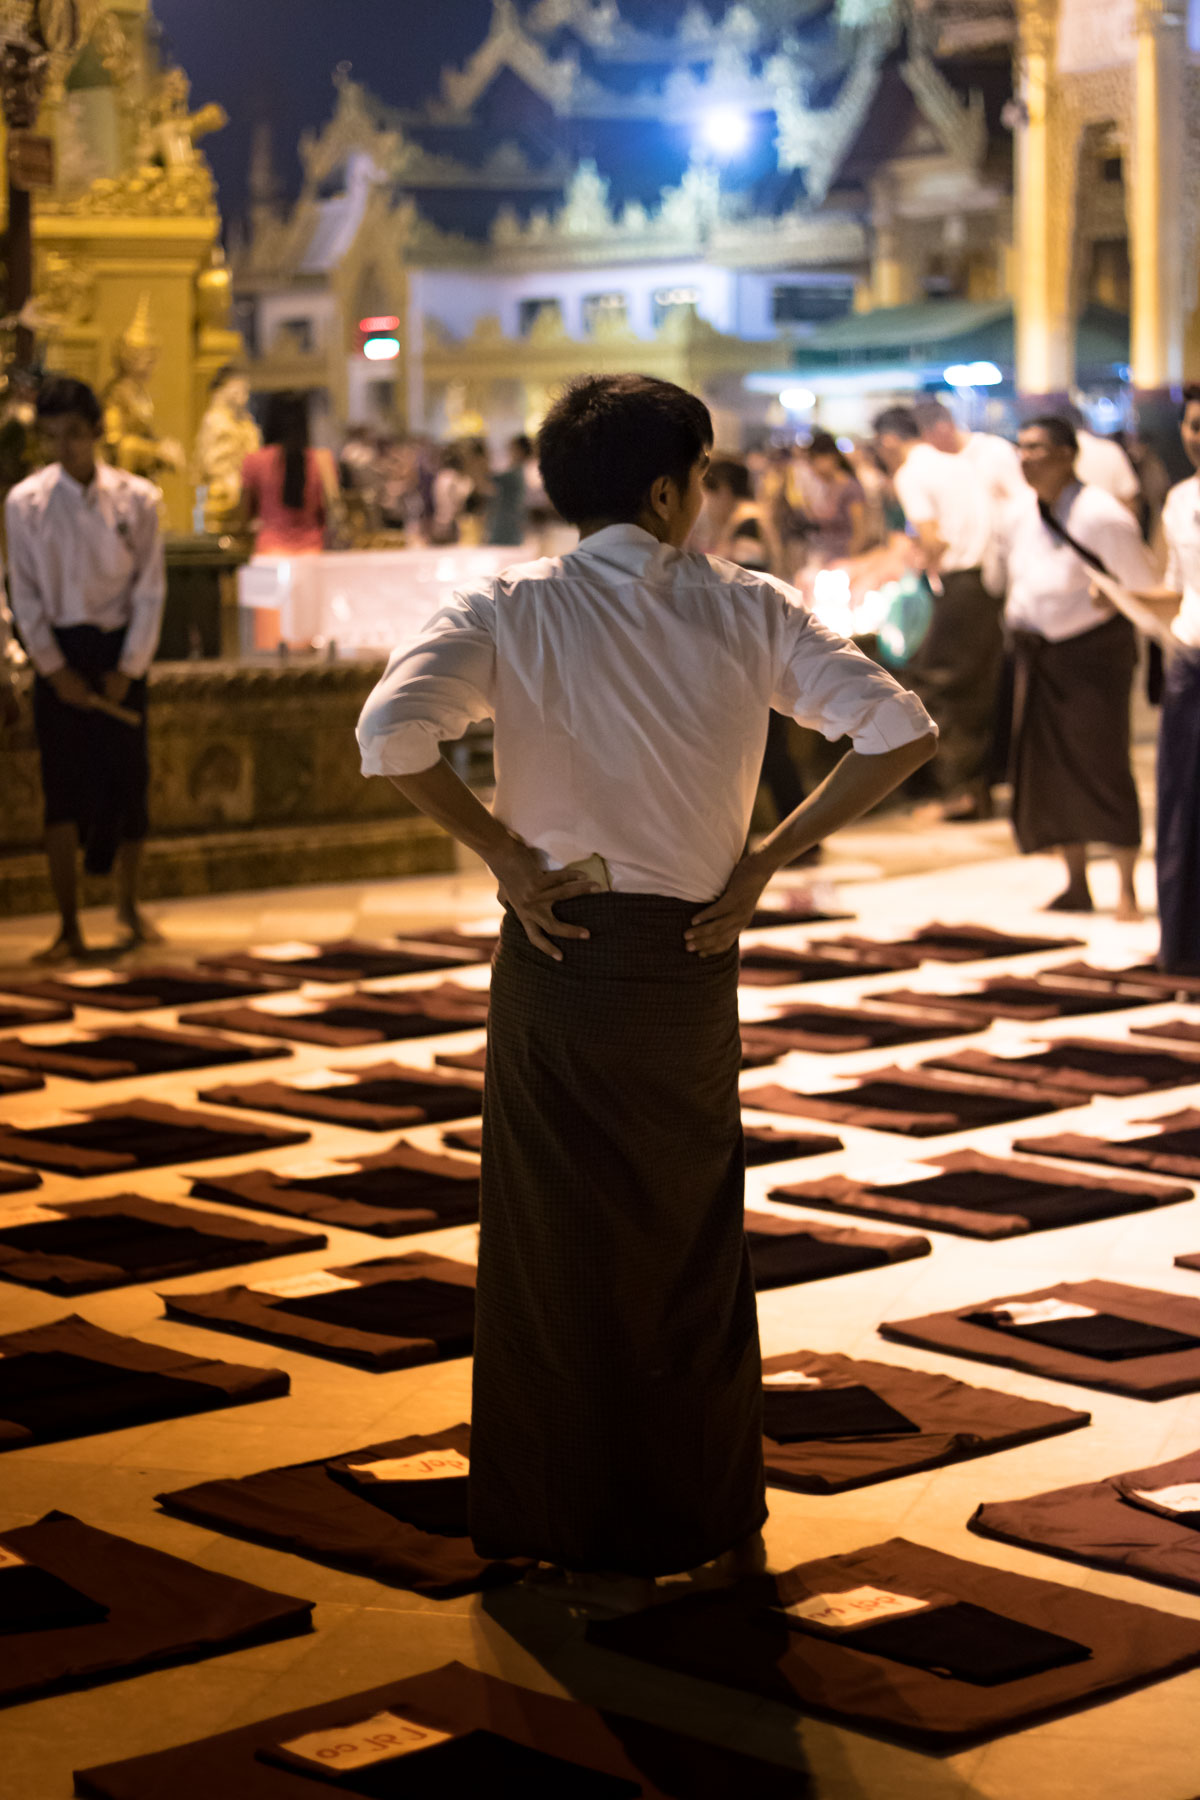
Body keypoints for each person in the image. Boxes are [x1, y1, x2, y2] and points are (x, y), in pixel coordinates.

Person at [357, 372, 935, 1611]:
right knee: (685, 1241)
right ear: (672, 492)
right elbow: (900, 730)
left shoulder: (512, 607)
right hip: (687, 956)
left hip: (560, 951)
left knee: (551, 1242)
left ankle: (553, 1515)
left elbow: (389, 736)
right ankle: (701, 1509)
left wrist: (508, 857)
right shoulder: (748, 609)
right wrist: (771, 858)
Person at [6, 375, 165, 961]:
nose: (63, 447)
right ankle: (68, 923)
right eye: (51, 436)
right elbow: (23, 594)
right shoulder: (26, 504)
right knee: (63, 792)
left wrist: (130, 665)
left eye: (74, 434)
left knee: (130, 784)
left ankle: (128, 906)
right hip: (62, 653)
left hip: (121, 651)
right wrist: (51, 668)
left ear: (97, 432)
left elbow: (150, 589)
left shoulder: (138, 499)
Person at [999, 415, 1158, 918]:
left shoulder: (1101, 514)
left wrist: (1111, 600)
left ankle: (1127, 888)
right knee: (1048, 773)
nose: (1026, 458)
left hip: (1092, 655)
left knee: (1103, 765)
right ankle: (1075, 882)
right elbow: (1001, 579)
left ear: (1068, 454)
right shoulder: (1020, 513)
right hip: (1038, 654)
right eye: (1020, 447)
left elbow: (1141, 589)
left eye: (1037, 448)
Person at [875, 404, 1000, 819]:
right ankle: (977, 791)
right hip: (985, 585)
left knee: (941, 690)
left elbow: (934, 539)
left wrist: (909, 565)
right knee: (975, 690)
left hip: (956, 585)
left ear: (889, 440)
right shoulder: (955, 463)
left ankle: (956, 796)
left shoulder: (911, 473)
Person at [1127, 386, 1200, 969]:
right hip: (1188, 661)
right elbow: (1177, 585)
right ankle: (1181, 943)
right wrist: (1124, 597)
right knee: (1181, 804)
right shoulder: (1179, 499)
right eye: (1193, 426)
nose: (1198, 437)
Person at [800, 431, 868, 565]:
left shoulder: (851, 488)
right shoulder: (828, 487)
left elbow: (860, 532)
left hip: (843, 561)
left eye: (814, 462)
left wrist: (850, 562)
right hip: (826, 558)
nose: (813, 469)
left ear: (831, 458)